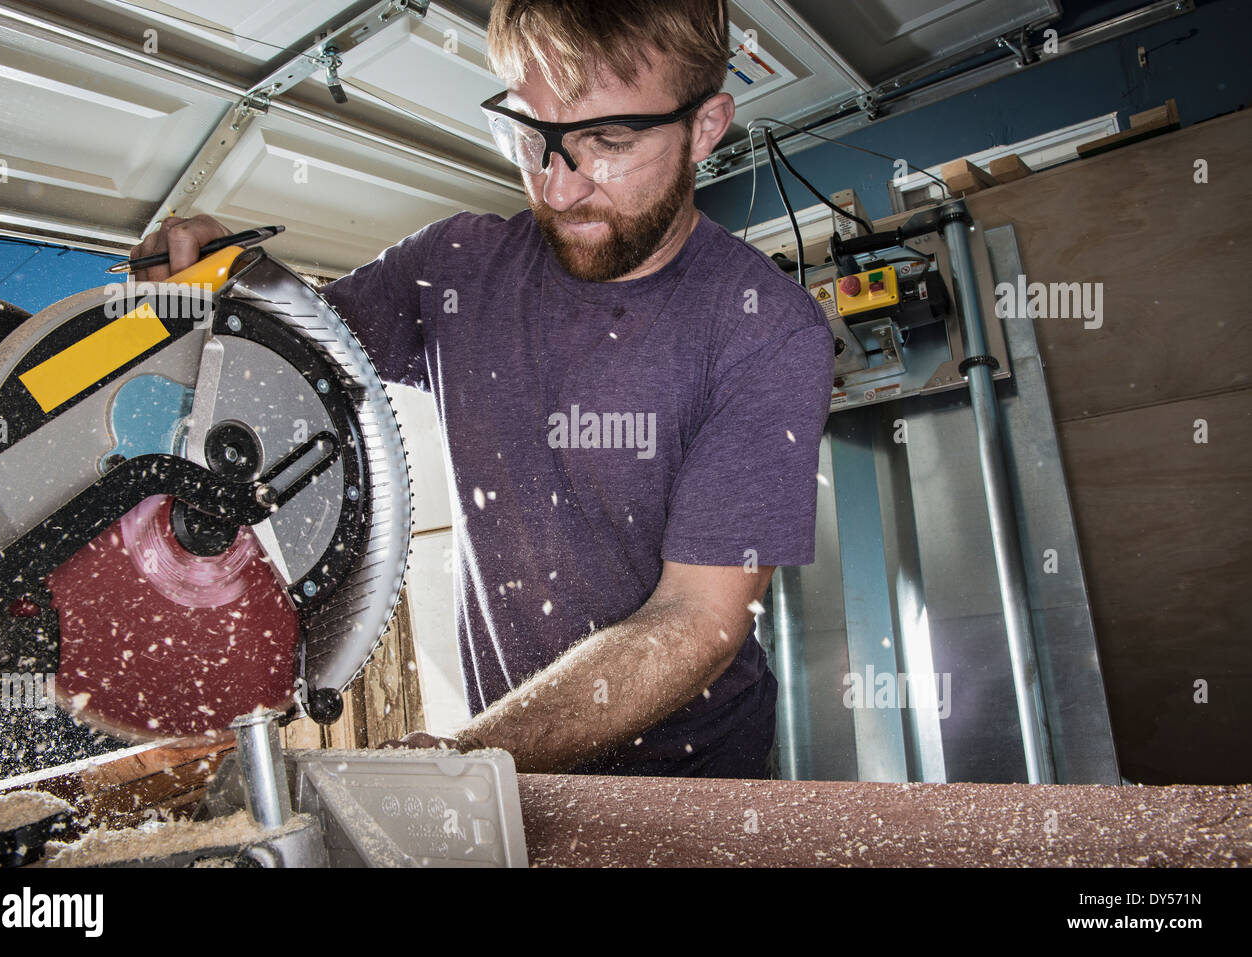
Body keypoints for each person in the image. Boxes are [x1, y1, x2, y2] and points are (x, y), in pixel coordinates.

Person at [130, 0, 834, 778]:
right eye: (531, 136)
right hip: (516, 767)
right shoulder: (454, 265)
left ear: (706, 126)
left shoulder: (766, 329)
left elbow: (696, 622)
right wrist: (212, 295)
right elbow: (279, 365)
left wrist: (466, 756)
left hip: (697, 783)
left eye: (609, 141)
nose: (558, 189)